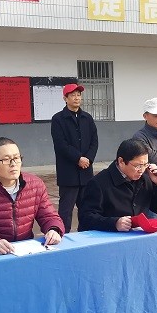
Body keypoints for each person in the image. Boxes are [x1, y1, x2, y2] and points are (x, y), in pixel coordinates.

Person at [0, 137, 64, 254]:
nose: (13, 164)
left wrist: (54, 229)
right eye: (6, 159)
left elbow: (49, 217)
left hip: (26, 251)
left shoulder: (35, 185)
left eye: (17, 158)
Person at [78, 139, 157, 232]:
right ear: (121, 161)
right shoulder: (98, 183)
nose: (142, 170)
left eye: (145, 165)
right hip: (109, 236)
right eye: (138, 166)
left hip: (137, 235)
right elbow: (86, 217)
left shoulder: (145, 179)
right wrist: (114, 223)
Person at [51, 81, 98, 231]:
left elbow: (94, 141)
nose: (77, 98)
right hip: (68, 172)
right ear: (65, 98)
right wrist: (78, 158)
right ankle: (63, 235)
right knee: (66, 210)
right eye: (73, 95)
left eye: (79, 95)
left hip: (86, 171)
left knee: (86, 207)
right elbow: (61, 144)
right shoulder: (58, 119)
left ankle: (85, 235)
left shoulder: (87, 118)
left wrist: (88, 159)